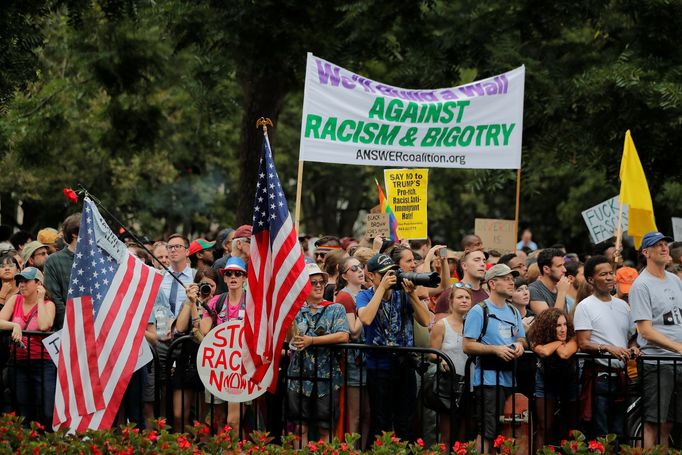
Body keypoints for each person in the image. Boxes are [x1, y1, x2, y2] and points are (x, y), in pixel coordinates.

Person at [356, 253, 430, 441]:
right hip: (379, 367)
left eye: (393, 273)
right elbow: (365, 318)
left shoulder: (403, 294)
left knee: (405, 421)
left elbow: (425, 320)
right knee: (381, 422)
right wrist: (381, 288)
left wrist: (412, 294)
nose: (391, 278)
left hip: (404, 366)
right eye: (385, 274)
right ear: (371, 276)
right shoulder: (365, 295)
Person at [462, 263, 526, 454]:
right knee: (487, 431)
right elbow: (467, 345)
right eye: (506, 278)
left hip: (510, 379)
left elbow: (521, 337)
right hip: (488, 380)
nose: (511, 282)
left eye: (512, 278)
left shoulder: (514, 311)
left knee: (506, 431)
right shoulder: (479, 310)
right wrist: (496, 350)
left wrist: (520, 345)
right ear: (492, 283)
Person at [574, 255, 638, 442]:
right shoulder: (585, 306)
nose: (610, 277)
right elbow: (583, 343)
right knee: (600, 432)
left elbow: (632, 337)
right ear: (591, 280)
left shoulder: (623, 306)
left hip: (622, 376)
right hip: (599, 376)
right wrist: (608, 348)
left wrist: (633, 348)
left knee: (619, 430)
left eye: (611, 273)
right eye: (604, 274)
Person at [287, 263, 349, 446]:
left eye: (321, 282)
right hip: (298, 375)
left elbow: (343, 335)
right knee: (299, 427)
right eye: (313, 282)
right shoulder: (295, 310)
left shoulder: (335, 309)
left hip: (327, 376)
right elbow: (290, 338)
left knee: (326, 427)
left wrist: (311, 341)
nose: (319, 285)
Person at [629, 232, 682, 448]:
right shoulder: (641, 285)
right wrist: (678, 347)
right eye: (657, 245)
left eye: (665, 244)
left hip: (677, 361)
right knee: (653, 421)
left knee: (669, 423)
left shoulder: (675, 280)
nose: (664, 248)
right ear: (645, 252)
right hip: (657, 362)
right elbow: (646, 331)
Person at [0, 267, 55, 428]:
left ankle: (49, 444)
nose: (21, 284)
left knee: (46, 408)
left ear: (38, 283)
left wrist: (40, 298)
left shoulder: (48, 304)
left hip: (43, 363)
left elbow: (45, 325)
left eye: (26, 281)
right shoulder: (15, 300)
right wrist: (14, 325)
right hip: (19, 363)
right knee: (23, 410)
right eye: (20, 281)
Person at [199, 257, 248, 433]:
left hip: (242, 367)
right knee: (218, 417)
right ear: (224, 278)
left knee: (234, 420)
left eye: (238, 274)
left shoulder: (253, 302)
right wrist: (200, 305)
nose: (233, 277)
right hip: (219, 365)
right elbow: (204, 330)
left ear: (244, 278)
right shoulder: (216, 301)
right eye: (229, 274)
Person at [172, 268, 218, 430]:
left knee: (203, 418)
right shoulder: (190, 300)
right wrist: (190, 301)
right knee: (179, 414)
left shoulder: (219, 304)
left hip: (208, 364)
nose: (207, 289)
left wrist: (208, 303)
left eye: (211, 285)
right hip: (187, 361)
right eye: (203, 285)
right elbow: (180, 327)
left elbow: (206, 331)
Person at [527, 308, 578, 449]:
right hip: (545, 381)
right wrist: (558, 343)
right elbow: (543, 351)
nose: (563, 329)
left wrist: (555, 345)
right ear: (548, 328)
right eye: (557, 325)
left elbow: (564, 353)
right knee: (544, 426)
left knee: (572, 428)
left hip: (569, 382)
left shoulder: (573, 337)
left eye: (565, 324)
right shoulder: (537, 337)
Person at [429, 284, 472, 444]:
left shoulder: (474, 324)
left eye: (467, 298)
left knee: (464, 433)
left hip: (469, 383)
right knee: (446, 433)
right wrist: (442, 360)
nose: (464, 301)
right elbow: (432, 354)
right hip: (448, 383)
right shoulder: (442, 325)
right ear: (451, 301)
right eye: (460, 297)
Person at [334, 256, 369, 448]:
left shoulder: (365, 293)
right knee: (355, 414)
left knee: (367, 412)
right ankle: (352, 450)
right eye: (354, 268)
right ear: (345, 275)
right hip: (354, 361)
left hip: (368, 359)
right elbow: (353, 331)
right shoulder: (345, 296)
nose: (359, 271)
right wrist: (366, 310)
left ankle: (363, 449)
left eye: (360, 267)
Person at [43, 213, 80, 330]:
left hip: (95, 331)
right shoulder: (53, 261)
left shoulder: (96, 259)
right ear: (74, 234)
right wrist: (75, 326)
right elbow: (55, 299)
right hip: (66, 330)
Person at [434, 249, 488, 321]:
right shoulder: (450, 293)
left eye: (484, 261)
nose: (482, 264)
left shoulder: (488, 296)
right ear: (464, 265)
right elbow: (440, 329)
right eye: (477, 260)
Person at [529, 248, 570, 315]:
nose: (564, 270)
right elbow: (551, 322)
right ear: (546, 269)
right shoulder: (534, 290)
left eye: (563, 265)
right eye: (559, 266)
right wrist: (562, 292)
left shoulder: (559, 286)